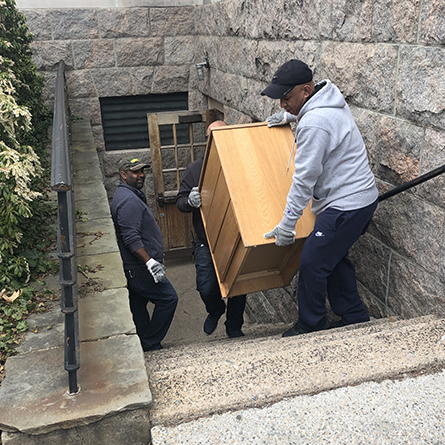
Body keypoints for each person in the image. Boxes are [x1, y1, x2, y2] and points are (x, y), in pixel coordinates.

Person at [261, 59, 379, 337]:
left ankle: (311, 324)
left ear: (305, 90)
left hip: (346, 205)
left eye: (286, 98)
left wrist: (287, 223)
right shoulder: (328, 98)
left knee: (313, 262)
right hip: (359, 198)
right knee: (333, 258)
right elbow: (319, 119)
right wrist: (293, 117)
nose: (282, 104)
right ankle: (354, 316)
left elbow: (304, 179)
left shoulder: (315, 123)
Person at [176, 121, 247, 338]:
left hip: (236, 238)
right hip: (205, 241)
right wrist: (190, 201)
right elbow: (180, 202)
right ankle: (216, 310)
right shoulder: (195, 169)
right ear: (207, 142)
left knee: (238, 286)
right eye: (211, 137)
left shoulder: (239, 163)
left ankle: (234, 327)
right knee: (206, 287)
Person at [111, 157, 178, 351]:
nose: (141, 175)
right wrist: (150, 262)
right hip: (140, 267)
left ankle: (144, 344)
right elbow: (130, 237)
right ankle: (150, 342)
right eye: (135, 172)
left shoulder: (129, 195)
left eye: (143, 171)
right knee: (168, 299)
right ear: (123, 175)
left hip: (134, 267)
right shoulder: (128, 200)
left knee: (138, 305)